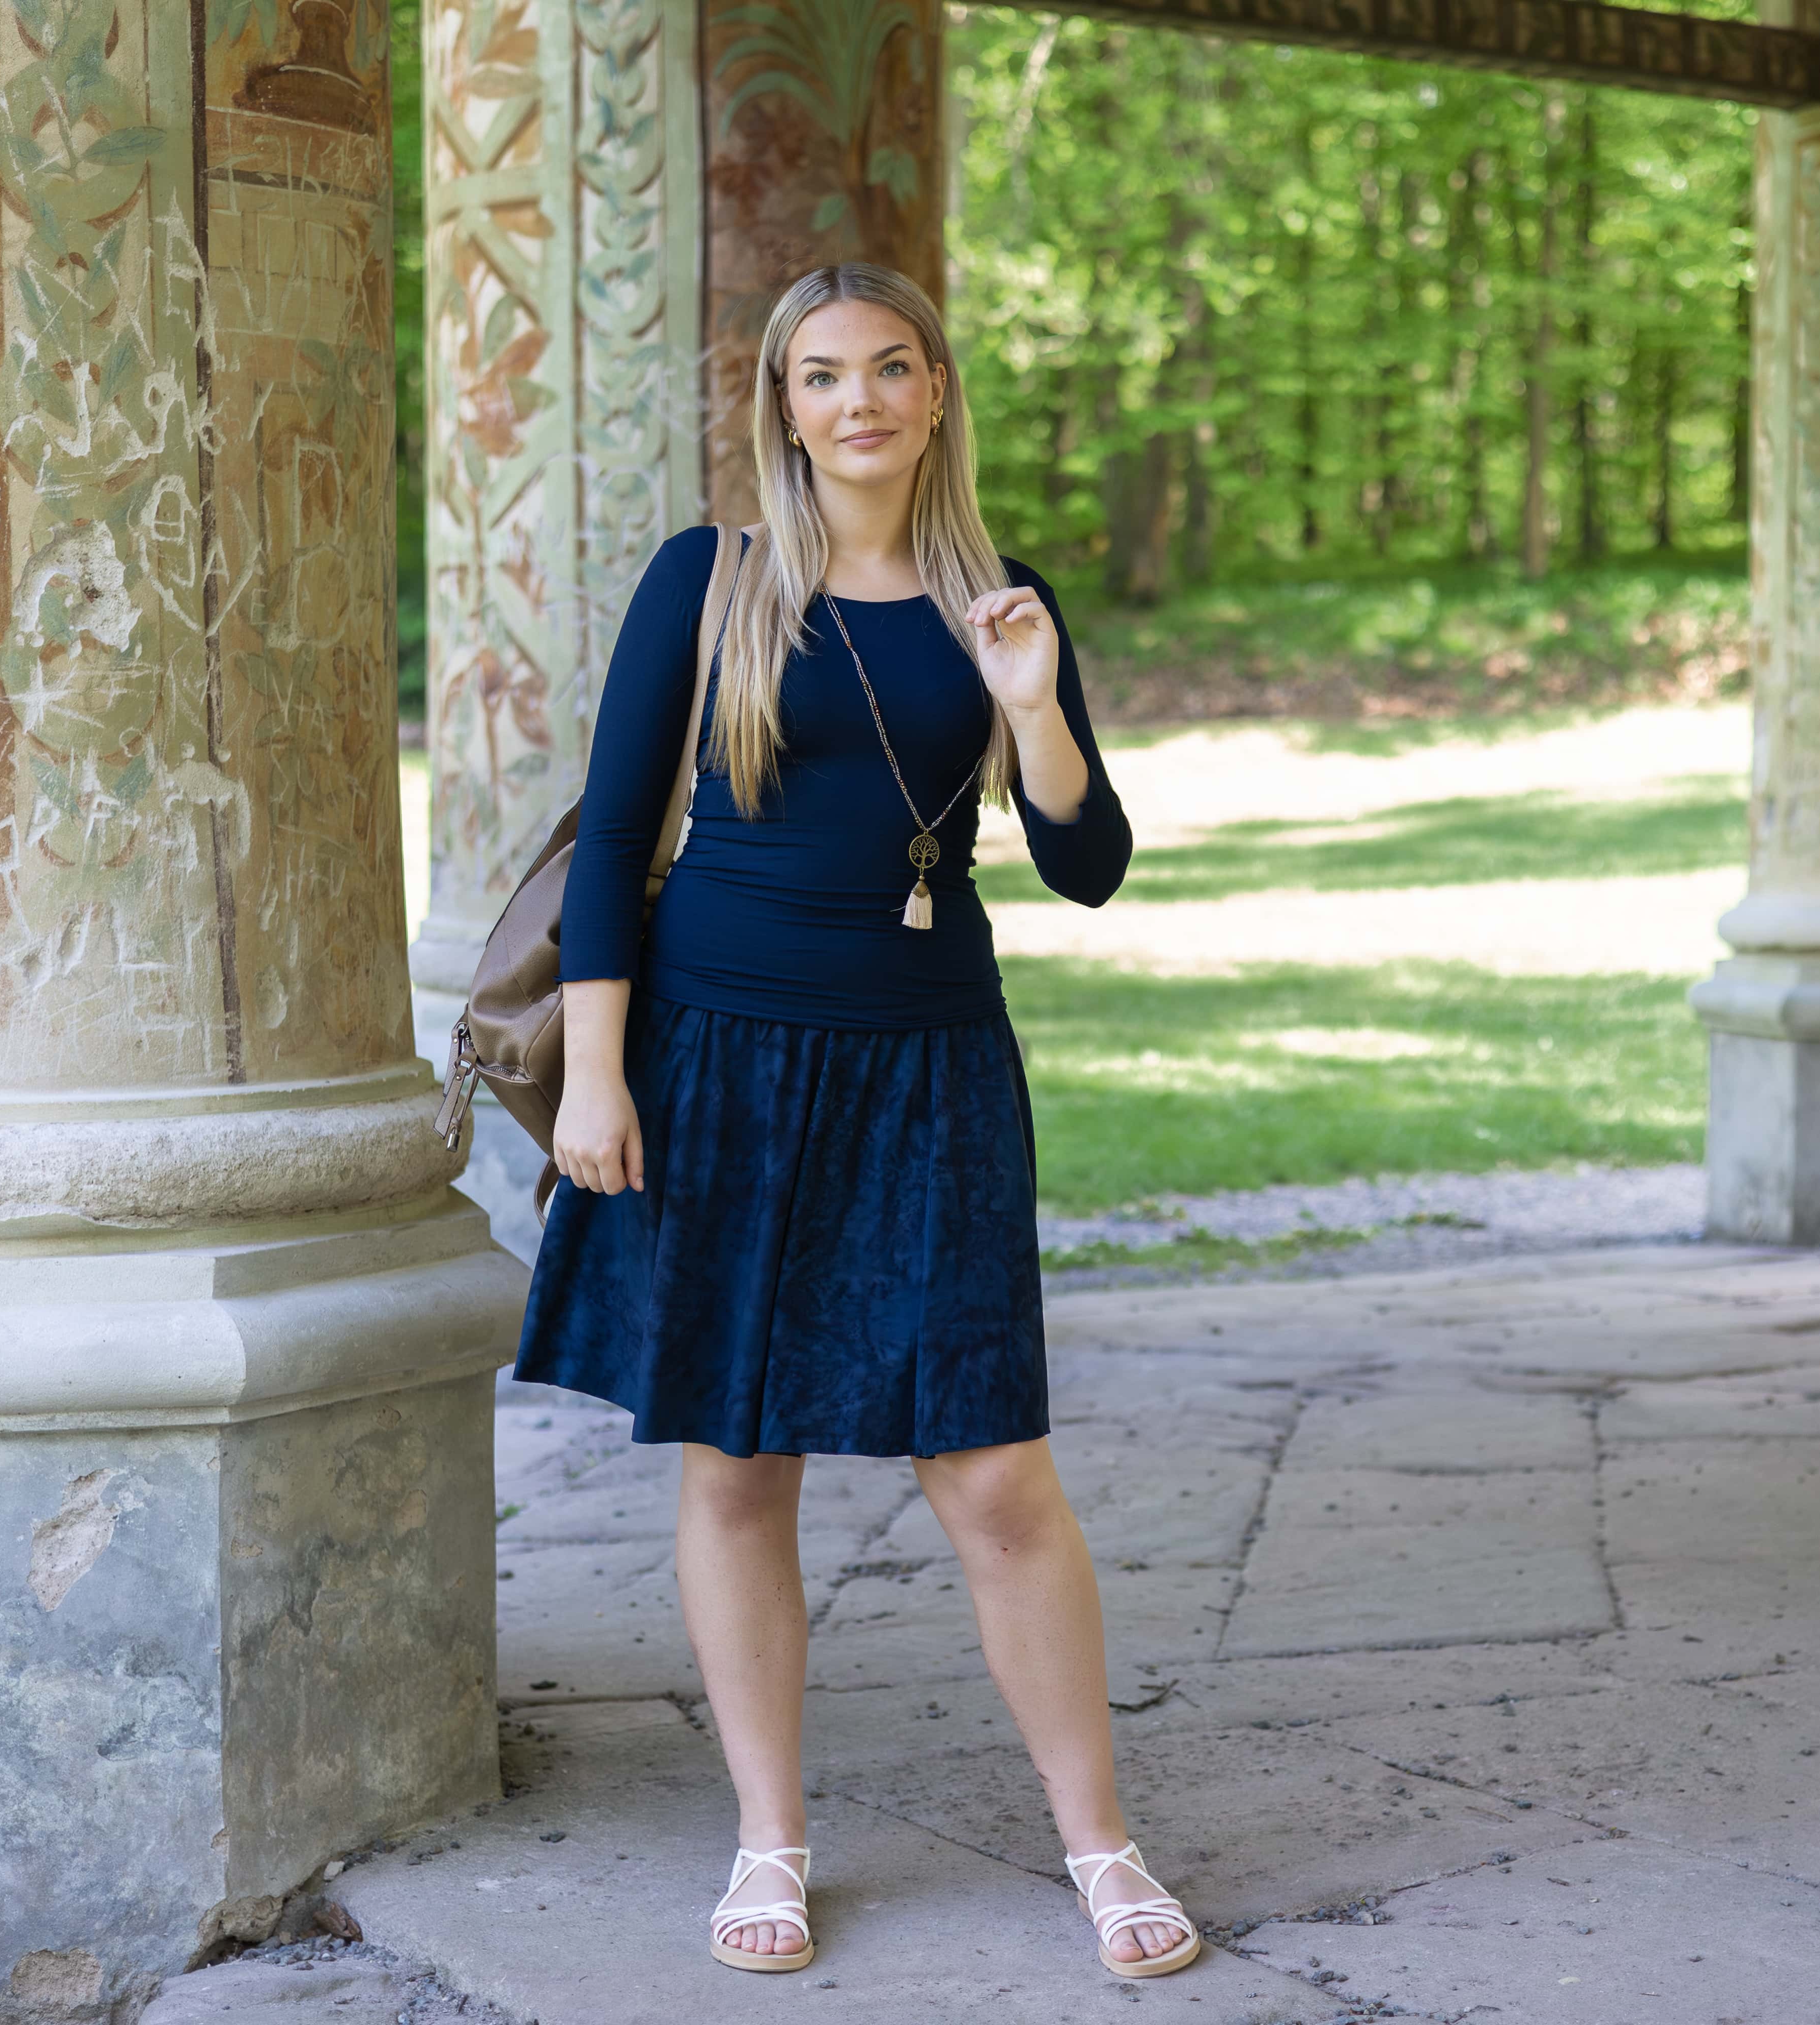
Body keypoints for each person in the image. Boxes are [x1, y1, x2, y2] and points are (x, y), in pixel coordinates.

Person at [509, 262, 1197, 1983]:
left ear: (937, 391)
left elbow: (1091, 866)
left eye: (892, 368)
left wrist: (1030, 705)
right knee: (740, 1463)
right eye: (823, 376)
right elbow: (612, 835)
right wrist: (595, 1073)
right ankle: (770, 1838)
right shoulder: (714, 579)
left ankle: (1102, 1845)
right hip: (719, 1059)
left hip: (929, 1068)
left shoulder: (1002, 599)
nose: (860, 401)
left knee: (996, 1472)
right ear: (786, 406)